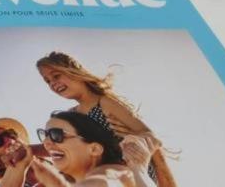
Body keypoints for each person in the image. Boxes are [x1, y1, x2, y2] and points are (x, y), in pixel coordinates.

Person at [36, 52, 175, 187]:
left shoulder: (103, 102)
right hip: (98, 172)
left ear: (73, 72)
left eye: (56, 76)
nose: (52, 83)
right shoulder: (71, 114)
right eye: (47, 81)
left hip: (127, 170)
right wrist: (27, 150)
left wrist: (130, 137)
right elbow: (61, 144)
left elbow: (148, 133)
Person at [0, 111, 158, 187]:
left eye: (56, 134)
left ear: (94, 149)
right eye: (44, 135)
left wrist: (138, 170)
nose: (46, 142)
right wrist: (20, 165)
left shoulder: (110, 174)